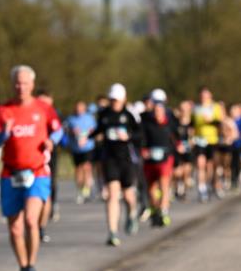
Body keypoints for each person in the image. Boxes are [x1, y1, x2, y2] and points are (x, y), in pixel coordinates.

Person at [0, 65, 60, 271]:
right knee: (15, 228)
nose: (21, 87)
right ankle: (23, 268)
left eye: (25, 83)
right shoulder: (3, 110)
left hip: (37, 173)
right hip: (11, 174)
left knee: (30, 220)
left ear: (32, 85)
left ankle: (32, 267)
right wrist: (4, 134)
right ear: (13, 85)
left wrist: (52, 141)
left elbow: (58, 130)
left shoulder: (43, 108)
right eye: (17, 83)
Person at [92, 83, 141, 246]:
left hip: (126, 159)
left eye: (117, 100)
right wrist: (88, 136)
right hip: (110, 158)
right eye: (112, 100)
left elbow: (140, 135)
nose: (114, 103)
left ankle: (132, 213)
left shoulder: (130, 114)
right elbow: (99, 129)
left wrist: (128, 136)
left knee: (127, 195)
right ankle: (112, 232)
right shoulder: (104, 114)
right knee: (113, 195)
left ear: (124, 99)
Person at [140, 89, 177, 227]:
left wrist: (177, 147)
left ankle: (164, 211)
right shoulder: (145, 121)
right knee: (151, 189)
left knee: (164, 185)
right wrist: (143, 150)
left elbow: (175, 136)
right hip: (150, 159)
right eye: (155, 110)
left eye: (160, 110)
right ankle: (155, 209)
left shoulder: (170, 121)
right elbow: (141, 138)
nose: (157, 113)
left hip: (165, 158)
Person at [35, 90, 63, 239]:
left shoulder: (53, 113)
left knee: (48, 189)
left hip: (49, 156)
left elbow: (59, 131)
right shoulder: (29, 112)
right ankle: (32, 224)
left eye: (45, 102)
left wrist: (51, 141)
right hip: (31, 158)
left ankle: (41, 227)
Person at [192, 86, 225, 202]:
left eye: (206, 95)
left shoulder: (215, 107)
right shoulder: (196, 108)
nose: (204, 98)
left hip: (212, 140)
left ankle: (211, 183)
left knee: (210, 166)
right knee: (200, 164)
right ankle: (202, 188)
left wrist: (211, 120)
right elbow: (191, 124)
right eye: (202, 95)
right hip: (199, 139)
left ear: (210, 96)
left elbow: (221, 122)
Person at [65, 100, 97, 204]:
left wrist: (88, 134)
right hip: (76, 148)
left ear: (84, 108)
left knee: (87, 167)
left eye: (81, 107)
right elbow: (65, 131)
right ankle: (80, 189)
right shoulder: (70, 119)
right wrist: (72, 132)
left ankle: (86, 189)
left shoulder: (89, 118)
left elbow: (95, 130)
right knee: (78, 169)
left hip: (88, 147)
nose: (79, 109)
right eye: (77, 107)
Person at [173, 100, 194, 200]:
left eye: (186, 109)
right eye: (182, 109)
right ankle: (178, 185)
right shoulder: (175, 122)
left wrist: (191, 142)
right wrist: (177, 145)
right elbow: (172, 136)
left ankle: (183, 191)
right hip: (177, 149)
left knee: (186, 171)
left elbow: (194, 136)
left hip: (188, 150)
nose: (184, 111)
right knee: (177, 172)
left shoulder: (192, 122)